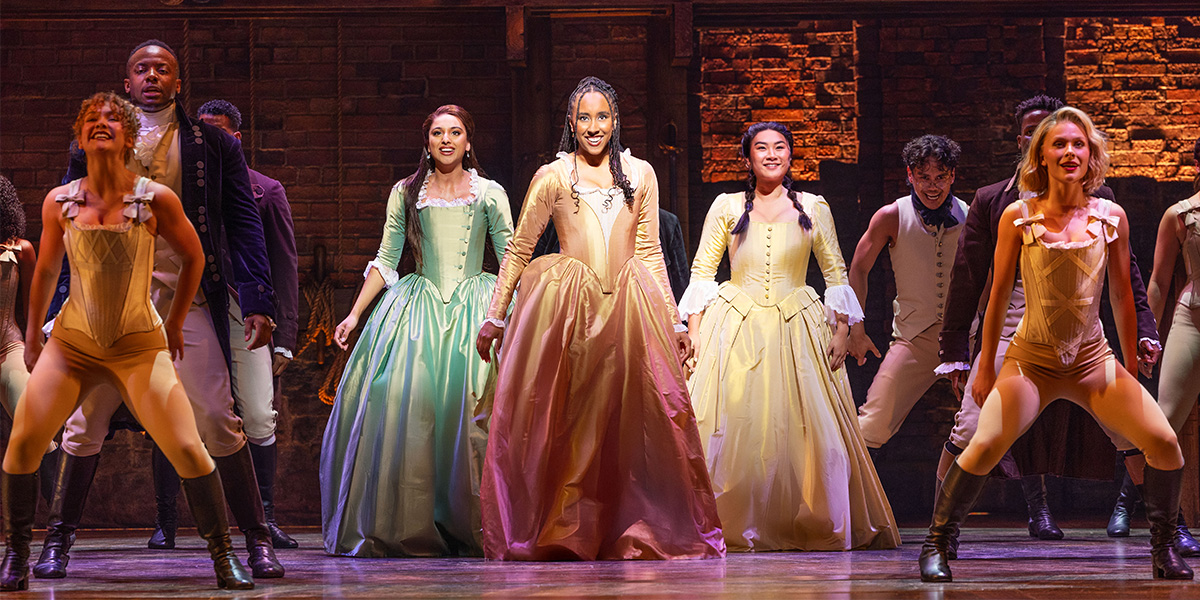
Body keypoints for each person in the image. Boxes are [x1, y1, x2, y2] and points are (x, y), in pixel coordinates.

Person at [34, 40, 284, 581]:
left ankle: (257, 541)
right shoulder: (93, 140)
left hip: (184, 303)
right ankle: (56, 541)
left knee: (219, 420)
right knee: (83, 422)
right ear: (127, 82)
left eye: (162, 69)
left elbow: (242, 222)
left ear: (178, 81)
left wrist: (259, 298)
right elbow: (66, 232)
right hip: (106, 307)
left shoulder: (211, 143)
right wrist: (56, 313)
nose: (152, 76)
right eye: (142, 69)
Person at [920, 106, 1191, 582]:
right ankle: (937, 543)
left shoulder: (1111, 215)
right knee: (982, 445)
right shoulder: (1017, 216)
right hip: (1031, 360)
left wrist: (1128, 363)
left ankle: (1164, 547)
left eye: (1079, 144)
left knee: (1164, 442)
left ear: (1091, 155)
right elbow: (998, 294)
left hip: (1091, 360)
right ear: (1040, 154)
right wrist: (984, 368)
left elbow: (1123, 295)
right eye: (1059, 144)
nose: (1070, 152)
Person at [1, 92, 253, 592]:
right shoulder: (60, 201)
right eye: (91, 119)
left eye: (112, 119)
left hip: (139, 345)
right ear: (79, 135)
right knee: (25, 442)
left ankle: (224, 555)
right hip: (73, 345)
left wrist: (177, 321)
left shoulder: (154, 197)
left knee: (186, 445)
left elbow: (194, 258)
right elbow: (48, 269)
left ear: (129, 136)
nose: (100, 124)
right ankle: (17, 556)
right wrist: (32, 337)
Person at [475, 76, 724, 560]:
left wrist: (673, 322)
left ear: (615, 121)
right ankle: (570, 526)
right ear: (572, 122)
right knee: (574, 420)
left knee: (633, 422)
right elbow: (520, 250)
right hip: (572, 308)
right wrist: (496, 315)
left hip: (631, 307)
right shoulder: (552, 176)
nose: (594, 126)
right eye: (584, 118)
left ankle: (624, 524)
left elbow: (650, 250)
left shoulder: (640, 173)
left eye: (602, 117)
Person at [681, 121, 899, 551]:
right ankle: (727, 523)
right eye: (761, 148)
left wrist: (843, 329)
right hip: (735, 323)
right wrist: (696, 332)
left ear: (790, 154)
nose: (771, 154)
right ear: (747, 158)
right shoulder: (726, 206)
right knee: (731, 427)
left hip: (796, 323)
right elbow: (702, 271)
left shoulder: (813, 207)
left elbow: (836, 271)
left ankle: (809, 519)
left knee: (806, 433)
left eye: (779, 147)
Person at [321, 104, 513, 557]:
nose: (446, 140)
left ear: (469, 141)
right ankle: (412, 522)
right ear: (426, 142)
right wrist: (354, 315)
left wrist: (509, 313)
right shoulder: (406, 192)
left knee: (473, 411)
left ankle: (476, 523)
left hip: (475, 309)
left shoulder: (489, 193)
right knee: (411, 410)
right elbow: (386, 260)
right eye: (437, 133)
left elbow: (511, 258)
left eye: (456, 132)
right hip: (419, 310)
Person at [123, 98, 302, 550]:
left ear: (233, 140)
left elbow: (283, 264)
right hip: (182, 303)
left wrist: (285, 335)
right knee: (170, 413)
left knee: (259, 413)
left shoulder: (265, 189)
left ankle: (267, 517)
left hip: (240, 306)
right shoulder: (169, 185)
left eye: (215, 133)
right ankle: (166, 521)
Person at [849, 135, 968, 461]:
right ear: (910, 175)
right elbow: (858, 269)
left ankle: (950, 511)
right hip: (914, 337)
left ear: (953, 176)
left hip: (963, 338)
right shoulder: (891, 215)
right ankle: (844, 509)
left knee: (986, 425)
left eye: (940, 177)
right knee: (872, 425)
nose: (932, 186)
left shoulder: (970, 217)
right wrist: (855, 328)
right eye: (924, 177)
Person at [1143, 137, 1200, 547]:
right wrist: (1148, 335)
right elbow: (1160, 283)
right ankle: (1169, 525)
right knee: (1165, 423)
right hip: (1192, 320)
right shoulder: (1181, 215)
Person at [0, 176, 60, 503]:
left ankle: (59, 527)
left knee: (39, 430)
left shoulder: (20, 249)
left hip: (8, 349)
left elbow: (31, 309)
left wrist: (36, 355)